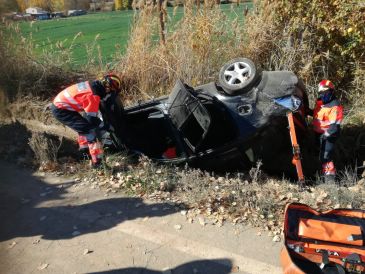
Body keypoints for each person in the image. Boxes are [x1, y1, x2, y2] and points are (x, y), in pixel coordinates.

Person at [51, 73, 122, 168]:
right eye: (111, 91)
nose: (109, 93)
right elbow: (91, 119)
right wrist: (106, 126)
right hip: (61, 110)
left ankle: (84, 153)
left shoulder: (93, 85)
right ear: (107, 87)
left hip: (62, 105)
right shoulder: (93, 96)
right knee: (91, 131)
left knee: (84, 127)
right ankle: (98, 163)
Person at [310, 80, 343, 182]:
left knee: (326, 156)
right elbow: (318, 115)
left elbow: (335, 127)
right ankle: (318, 173)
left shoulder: (335, 106)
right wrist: (306, 111)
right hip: (318, 133)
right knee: (318, 153)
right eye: (321, 92)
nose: (324, 94)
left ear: (331, 91)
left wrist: (326, 135)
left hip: (329, 135)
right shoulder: (320, 102)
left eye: (326, 91)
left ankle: (330, 180)